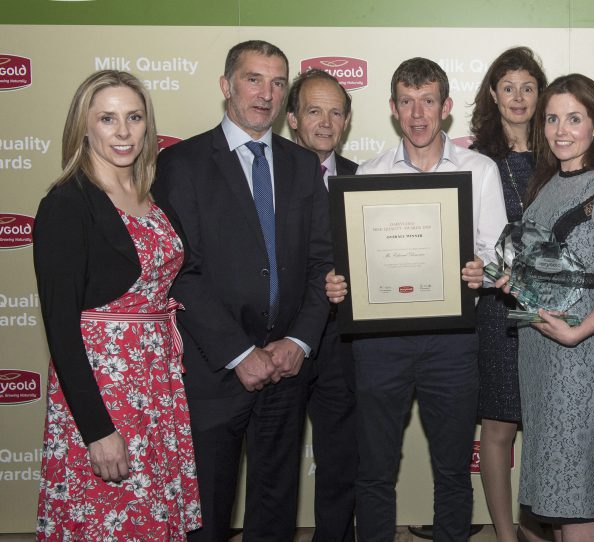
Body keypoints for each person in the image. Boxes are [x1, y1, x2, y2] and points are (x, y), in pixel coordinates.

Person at [152, 40, 333, 541]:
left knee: (274, 517)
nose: (266, 94)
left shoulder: (302, 165)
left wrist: (297, 343)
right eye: (254, 79)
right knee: (207, 516)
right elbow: (180, 270)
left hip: (285, 367)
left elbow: (323, 263)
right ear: (226, 85)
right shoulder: (182, 164)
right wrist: (239, 352)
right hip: (216, 370)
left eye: (278, 83)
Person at [34, 70, 201, 540]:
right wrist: (96, 430)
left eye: (134, 117)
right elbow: (61, 332)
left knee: (152, 519)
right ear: (83, 127)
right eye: (107, 119)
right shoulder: (67, 205)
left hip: (157, 389)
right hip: (106, 394)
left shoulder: (152, 196)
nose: (123, 131)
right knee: (110, 520)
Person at [347, 57, 507, 542]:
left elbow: (500, 256)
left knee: (454, 471)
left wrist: (483, 270)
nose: (418, 114)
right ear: (393, 109)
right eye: (407, 102)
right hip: (380, 342)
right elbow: (359, 263)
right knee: (374, 471)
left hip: (453, 341)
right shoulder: (367, 175)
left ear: (447, 107)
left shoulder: (479, 171)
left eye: (428, 101)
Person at [511, 73, 594, 542]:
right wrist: (509, 281)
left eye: (574, 118)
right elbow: (537, 269)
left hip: (579, 351)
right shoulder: (544, 185)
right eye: (552, 119)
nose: (561, 130)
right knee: (553, 487)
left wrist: (579, 331)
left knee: (575, 486)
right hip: (536, 345)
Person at [468, 46, 547, 542]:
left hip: (553, 307)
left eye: (528, 87)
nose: (518, 97)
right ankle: (504, 533)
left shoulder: (564, 151)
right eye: (508, 87)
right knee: (497, 429)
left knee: (545, 424)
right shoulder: (475, 161)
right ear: (493, 95)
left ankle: (539, 528)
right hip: (497, 309)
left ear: (541, 93)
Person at [285, 67, 359, 542]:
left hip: (343, 340)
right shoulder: (265, 177)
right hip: (281, 339)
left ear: (348, 120)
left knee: (340, 457)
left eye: (336, 112)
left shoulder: (361, 179)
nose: (326, 122)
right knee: (276, 458)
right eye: (314, 110)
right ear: (292, 118)